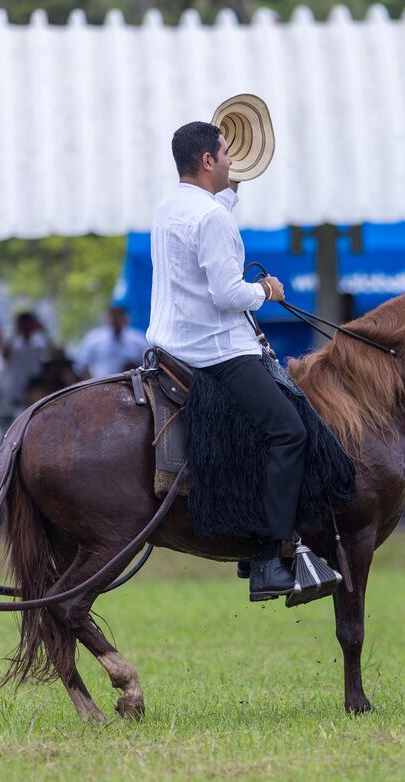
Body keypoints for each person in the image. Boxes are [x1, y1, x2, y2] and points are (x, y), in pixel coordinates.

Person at [146, 120, 304, 602]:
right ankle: (266, 559)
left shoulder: (170, 206)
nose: (232, 160)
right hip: (216, 352)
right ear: (208, 161)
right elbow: (227, 293)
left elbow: (210, 217)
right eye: (226, 155)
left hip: (169, 345)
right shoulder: (212, 218)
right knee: (289, 432)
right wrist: (266, 291)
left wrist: (231, 192)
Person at [75, 306, 150, 378]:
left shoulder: (137, 339)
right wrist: (91, 383)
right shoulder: (93, 339)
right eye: (113, 316)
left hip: (132, 384)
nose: (115, 320)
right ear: (107, 319)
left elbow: (149, 362)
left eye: (118, 316)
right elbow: (81, 366)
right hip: (100, 384)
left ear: (125, 319)